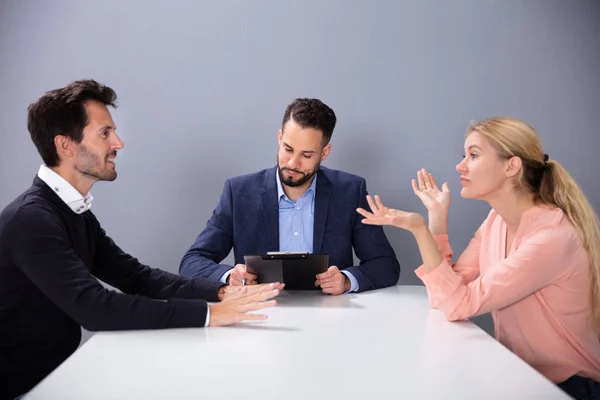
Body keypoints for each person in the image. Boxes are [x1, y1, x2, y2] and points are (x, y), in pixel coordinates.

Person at [0, 80, 282, 400]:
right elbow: (95, 308)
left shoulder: (72, 212)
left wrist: (221, 291)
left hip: (59, 378)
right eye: (104, 133)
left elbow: (136, 277)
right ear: (65, 145)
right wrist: (210, 315)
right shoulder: (32, 221)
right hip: (23, 388)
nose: (118, 143)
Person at [357, 117, 600, 399]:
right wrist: (437, 219)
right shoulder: (495, 221)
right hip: (520, 377)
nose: (460, 166)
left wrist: (418, 229)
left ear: (512, 166)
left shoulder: (551, 238)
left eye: (473, 155)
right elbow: (445, 295)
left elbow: (457, 302)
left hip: (569, 388)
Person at [179, 98, 400, 294]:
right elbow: (191, 262)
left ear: (324, 153)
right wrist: (229, 276)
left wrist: (346, 280)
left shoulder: (350, 191)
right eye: (288, 149)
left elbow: (385, 265)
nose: (293, 163)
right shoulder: (239, 193)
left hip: (332, 321)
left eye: (306, 155)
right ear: (279, 137)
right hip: (259, 319)